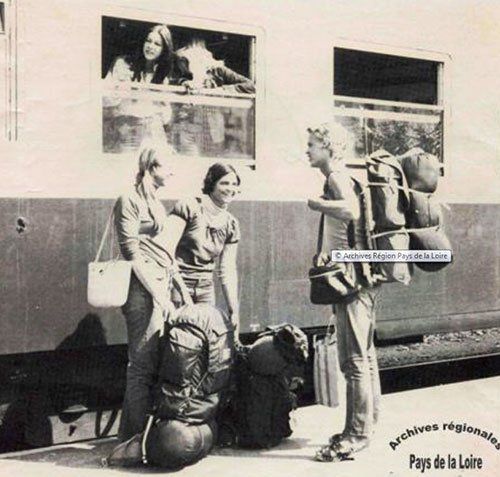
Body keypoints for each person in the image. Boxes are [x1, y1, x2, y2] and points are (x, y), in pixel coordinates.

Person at [306, 122, 381, 462]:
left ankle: (356, 435)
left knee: (354, 362)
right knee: (364, 358)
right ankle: (365, 426)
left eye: (312, 145)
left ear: (329, 147)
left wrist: (315, 204)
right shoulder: (343, 175)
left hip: (350, 280)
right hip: (358, 275)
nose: (307, 150)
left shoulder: (336, 177)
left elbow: (350, 210)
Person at [114, 145, 190, 441]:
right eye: (167, 166)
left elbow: (163, 253)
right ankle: (130, 442)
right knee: (141, 365)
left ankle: (136, 437)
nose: (171, 172)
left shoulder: (156, 203)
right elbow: (132, 254)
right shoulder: (128, 200)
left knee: (150, 363)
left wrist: (180, 289)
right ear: (150, 168)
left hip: (159, 288)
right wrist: (160, 295)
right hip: (141, 292)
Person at [164, 163, 241, 336]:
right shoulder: (189, 207)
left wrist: (234, 311)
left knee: (204, 339)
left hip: (206, 287)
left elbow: (227, 270)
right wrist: (184, 294)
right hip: (177, 284)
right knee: (179, 340)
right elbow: (165, 252)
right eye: (224, 183)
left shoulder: (231, 224)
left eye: (234, 184)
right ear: (211, 184)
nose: (230, 189)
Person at [106, 24, 182, 85]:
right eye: (148, 41)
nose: (150, 46)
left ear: (164, 50)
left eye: (157, 44)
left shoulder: (168, 74)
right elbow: (105, 99)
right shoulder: (123, 64)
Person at [175, 41, 255, 94]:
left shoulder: (219, 71)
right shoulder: (186, 73)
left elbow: (251, 86)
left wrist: (222, 90)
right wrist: (183, 83)